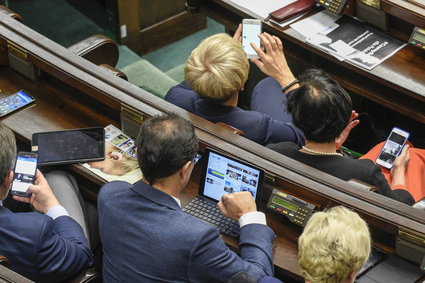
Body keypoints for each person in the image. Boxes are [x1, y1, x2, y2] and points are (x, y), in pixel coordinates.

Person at [98, 113, 275, 282]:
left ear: (137, 154)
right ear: (186, 169)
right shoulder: (195, 237)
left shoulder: (110, 194)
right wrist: (250, 217)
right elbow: (260, 278)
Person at [267, 69, 415, 205]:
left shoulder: (276, 151)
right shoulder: (364, 172)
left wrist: (334, 149)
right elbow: (401, 208)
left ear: (296, 116)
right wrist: (399, 172)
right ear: (344, 120)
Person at [165, 25, 304, 146]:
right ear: (242, 83)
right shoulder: (256, 125)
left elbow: (196, 76)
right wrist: (286, 77)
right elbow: (302, 134)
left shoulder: (175, 98)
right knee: (269, 84)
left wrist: (225, 54)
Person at [0, 123, 93, 282]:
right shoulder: (33, 232)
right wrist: (52, 205)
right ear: (9, 179)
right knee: (59, 178)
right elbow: (82, 256)